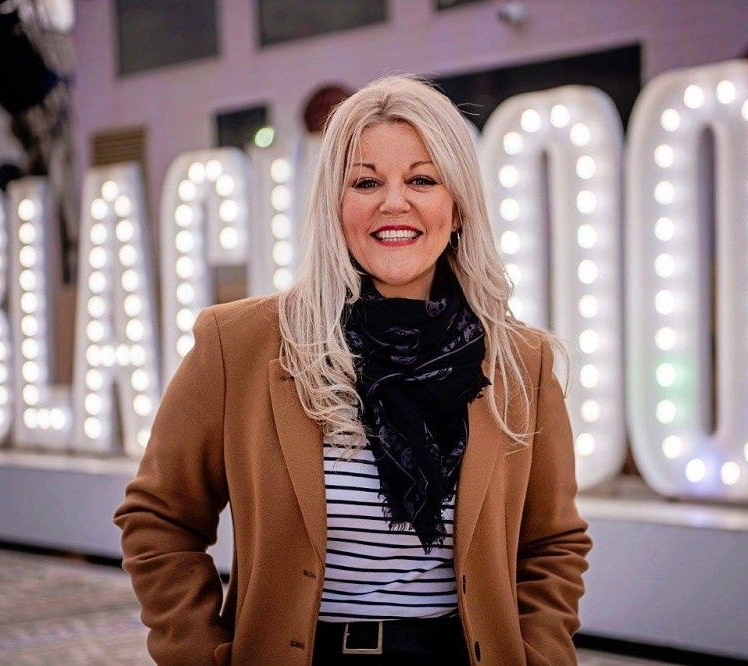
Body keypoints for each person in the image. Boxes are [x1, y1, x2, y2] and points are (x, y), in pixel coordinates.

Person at [114, 74, 591, 666]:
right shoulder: (238, 344)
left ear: (458, 205)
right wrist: (202, 654)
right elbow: (158, 521)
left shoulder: (523, 362)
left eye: (422, 179)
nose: (395, 203)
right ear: (335, 206)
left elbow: (552, 545)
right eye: (365, 181)